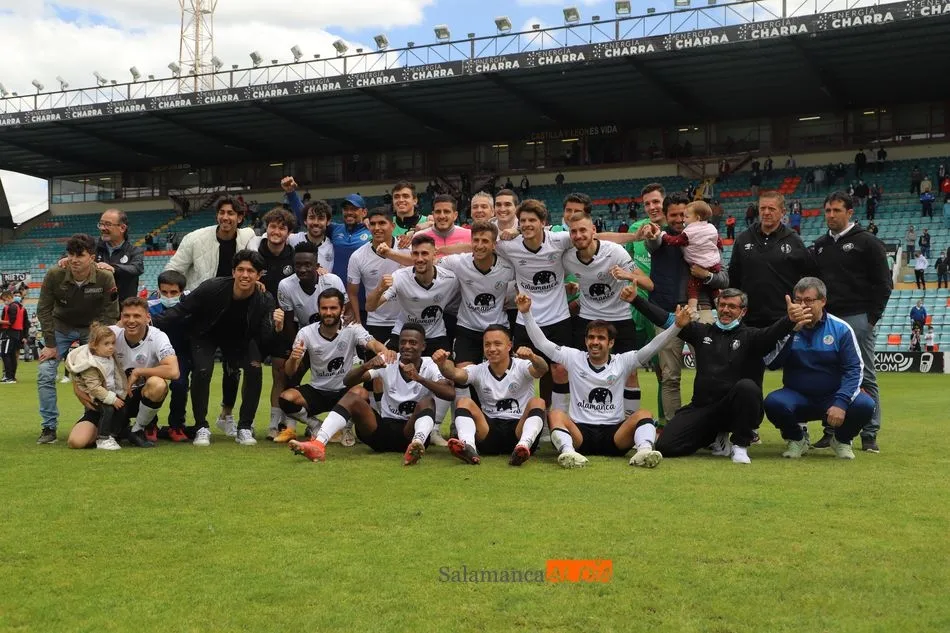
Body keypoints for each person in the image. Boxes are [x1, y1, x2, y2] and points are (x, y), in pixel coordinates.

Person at [624, 287, 809, 464]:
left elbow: (773, 333)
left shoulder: (752, 337)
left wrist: (789, 320)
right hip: (703, 408)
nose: (726, 310)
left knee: (747, 387)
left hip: (736, 411)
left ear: (743, 311)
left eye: (732, 306)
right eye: (722, 305)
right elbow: (665, 319)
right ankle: (714, 437)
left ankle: (740, 446)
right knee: (666, 446)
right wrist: (635, 300)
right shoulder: (702, 332)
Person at [518, 293, 688, 469]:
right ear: (585, 341)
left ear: (611, 342)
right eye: (591, 337)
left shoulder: (622, 361)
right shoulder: (574, 358)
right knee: (555, 415)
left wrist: (676, 326)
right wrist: (526, 313)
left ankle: (644, 452)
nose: (595, 342)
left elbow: (653, 346)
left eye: (601, 338)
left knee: (644, 414)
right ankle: (568, 452)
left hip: (614, 435)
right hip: (580, 435)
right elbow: (542, 343)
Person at [153, 250, 282, 447]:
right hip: (205, 334)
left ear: (259, 275)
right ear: (233, 272)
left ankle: (245, 427)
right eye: (240, 270)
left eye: (250, 271)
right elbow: (181, 309)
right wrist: (151, 322)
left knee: (254, 369)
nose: (245, 275)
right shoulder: (212, 287)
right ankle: (201, 427)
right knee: (202, 370)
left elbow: (266, 338)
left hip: (241, 338)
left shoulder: (265, 299)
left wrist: (276, 327)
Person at [289, 323, 455, 464]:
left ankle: (416, 446)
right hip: (383, 431)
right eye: (403, 342)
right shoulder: (389, 360)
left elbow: (449, 394)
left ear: (423, 346)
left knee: (428, 402)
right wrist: (366, 366)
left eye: (413, 342)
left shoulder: (430, 365)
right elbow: (347, 381)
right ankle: (318, 444)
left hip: (410, 432)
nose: (407, 346)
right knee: (353, 396)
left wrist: (420, 379)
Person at [811, 191, 891, 453]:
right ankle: (831, 430)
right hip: (828, 319)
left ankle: (869, 433)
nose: (831, 215)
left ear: (849, 213)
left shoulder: (868, 242)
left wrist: (871, 319)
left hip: (858, 317)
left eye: (836, 210)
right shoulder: (820, 245)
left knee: (864, 374)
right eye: (828, 211)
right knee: (829, 374)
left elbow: (884, 283)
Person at [764, 277, 874, 460]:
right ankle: (797, 439)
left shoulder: (841, 329)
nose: (802, 305)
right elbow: (772, 363)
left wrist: (841, 402)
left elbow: (854, 369)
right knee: (773, 403)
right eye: (798, 300)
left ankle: (841, 440)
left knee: (865, 404)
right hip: (797, 396)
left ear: (823, 301)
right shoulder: (786, 327)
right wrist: (791, 331)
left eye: (808, 300)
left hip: (832, 397)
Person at [644, 192, 729, 423]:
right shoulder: (660, 237)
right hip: (667, 313)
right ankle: (674, 427)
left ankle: (710, 426)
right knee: (670, 376)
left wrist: (706, 276)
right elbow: (653, 241)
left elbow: (724, 278)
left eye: (684, 214)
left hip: (702, 310)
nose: (680, 219)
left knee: (710, 372)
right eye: (674, 215)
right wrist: (653, 234)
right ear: (665, 216)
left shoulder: (706, 235)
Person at [276, 288, 392, 443]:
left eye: (333, 308)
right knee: (286, 398)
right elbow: (290, 372)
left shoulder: (352, 328)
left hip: (344, 390)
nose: (328, 312)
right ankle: (317, 425)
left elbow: (373, 343)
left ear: (342, 309)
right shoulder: (306, 333)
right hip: (317, 390)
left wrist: (386, 353)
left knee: (361, 393)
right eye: (324, 308)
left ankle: (346, 429)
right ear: (319, 309)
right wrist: (293, 358)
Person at [727, 191, 818, 387]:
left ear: (782, 212)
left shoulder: (793, 240)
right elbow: (733, 279)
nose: (766, 212)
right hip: (750, 320)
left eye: (771, 208)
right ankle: (750, 407)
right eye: (763, 208)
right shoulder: (743, 238)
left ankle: (795, 406)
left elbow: (810, 278)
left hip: (784, 320)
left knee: (796, 374)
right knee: (747, 380)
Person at [36, 234, 119, 444]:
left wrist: (102, 342)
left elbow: (111, 313)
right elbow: (43, 309)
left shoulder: (105, 277)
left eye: (80, 255)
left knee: (98, 374)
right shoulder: (55, 274)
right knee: (45, 373)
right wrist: (50, 344)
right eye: (71, 254)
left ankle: (92, 419)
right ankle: (48, 427)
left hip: (92, 331)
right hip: (60, 328)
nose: (74, 260)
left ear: (91, 256)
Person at [67, 298, 179, 449]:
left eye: (137, 316)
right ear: (121, 317)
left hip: (135, 398)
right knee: (77, 442)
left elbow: (173, 371)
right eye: (127, 315)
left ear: (147, 317)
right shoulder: (109, 334)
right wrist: (77, 388)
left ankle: (137, 429)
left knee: (157, 384)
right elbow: (79, 360)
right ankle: (118, 428)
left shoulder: (158, 337)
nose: (131, 320)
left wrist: (139, 371)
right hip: (107, 399)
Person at [431, 327, 548, 465]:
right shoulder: (479, 369)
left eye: (497, 344)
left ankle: (523, 446)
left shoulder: (522, 366)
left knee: (538, 402)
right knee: (463, 401)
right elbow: (454, 374)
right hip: (489, 431)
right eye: (487, 344)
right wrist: (442, 364)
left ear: (509, 346)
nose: (492, 349)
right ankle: (468, 447)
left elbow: (542, 369)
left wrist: (533, 357)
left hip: (519, 429)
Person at [275, 241, 350, 439]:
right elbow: (289, 322)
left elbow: (346, 309)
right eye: (298, 265)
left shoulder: (332, 280)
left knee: (347, 382)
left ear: (317, 264)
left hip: (334, 338)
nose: (302, 269)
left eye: (308, 264)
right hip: (305, 337)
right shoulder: (286, 285)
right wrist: (298, 349)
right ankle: (292, 426)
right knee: (290, 375)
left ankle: (348, 425)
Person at [164, 196, 256, 291]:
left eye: (230, 213)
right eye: (221, 212)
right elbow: (174, 268)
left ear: (239, 218)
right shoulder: (194, 238)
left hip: (235, 295)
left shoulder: (247, 236)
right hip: (201, 296)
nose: (225, 217)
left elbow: (257, 267)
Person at [346, 208, 408, 347]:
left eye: (382, 223)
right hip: (376, 321)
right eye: (373, 224)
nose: (377, 228)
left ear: (392, 226)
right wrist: (358, 321)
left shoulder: (406, 248)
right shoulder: (358, 256)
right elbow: (352, 292)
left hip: (406, 319)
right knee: (379, 360)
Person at [64, 324, 127, 451]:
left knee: (122, 410)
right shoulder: (89, 364)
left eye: (113, 343)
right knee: (108, 410)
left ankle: (113, 434)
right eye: (106, 344)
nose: (111, 347)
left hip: (109, 393)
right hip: (96, 396)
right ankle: (103, 438)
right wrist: (112, 398)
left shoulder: (109, 357)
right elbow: (94, 388)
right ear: (94, 345)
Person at [148, 270, 191, 442]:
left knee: (180, 385)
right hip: (154, 355)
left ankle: (176, 426)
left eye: (173, 292)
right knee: (151, 385)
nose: (169, 296)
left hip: (180, 353)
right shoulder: (149, 307)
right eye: (164, 292)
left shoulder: (190, 305)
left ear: (182, 291)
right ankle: (149, 424)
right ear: (158, 290)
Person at [658, 201, 722, 314]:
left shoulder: (689, 232)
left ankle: (692, 309)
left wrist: (663, 235)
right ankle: (720, 305)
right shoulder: (711, 227)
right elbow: (718, 241)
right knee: (714, 289)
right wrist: (718, 249)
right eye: (674, 215)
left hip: (699, 266)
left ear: (697, 218)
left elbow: (674, 241)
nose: (682, 219)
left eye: (686, 216)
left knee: (693, 288)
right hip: (714, 263)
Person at [91, 209, 145, 301]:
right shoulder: (91, 247)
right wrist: (67, 259)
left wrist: (113, 268)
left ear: (122, 228)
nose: (102, 228)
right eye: (101, 224)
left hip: (124, 307)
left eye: (108, 224)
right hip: (96, 307)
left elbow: (137, 268)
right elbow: (77, 255)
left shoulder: (134, 251)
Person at [287, 200, 335, 271]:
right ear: (305, 221)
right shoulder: (291, 239)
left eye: (321, 218)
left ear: (328, 222)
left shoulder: (332, 247)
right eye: (312, 218)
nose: (316, 222)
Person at [0, 290, 26, 383]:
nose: (4, 302)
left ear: (8, 297)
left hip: (9, 333)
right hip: (14, 333)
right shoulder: (17, 306)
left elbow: (11, 322)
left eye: (4, 300)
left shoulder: (12, 307)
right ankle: (11, 377)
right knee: (11, 355)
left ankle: (9, 377)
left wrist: (1, 321)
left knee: (5, 354)